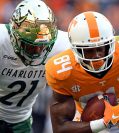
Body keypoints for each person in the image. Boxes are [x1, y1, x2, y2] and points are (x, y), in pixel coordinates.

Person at [0, 0, 70, 132]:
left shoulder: (61, 44)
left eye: (42, 46)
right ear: (15, 35)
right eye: (31, 45)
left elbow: (103, 43)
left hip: (20, 123)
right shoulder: (2, 41)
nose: (37, 52)